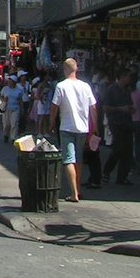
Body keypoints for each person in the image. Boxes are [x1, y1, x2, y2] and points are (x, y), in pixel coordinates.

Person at [50, 57, 97, 203]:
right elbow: (93, 108)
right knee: (79, 159)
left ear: (64, 70)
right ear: (77, 69)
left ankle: (74, 193)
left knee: (68, 159)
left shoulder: (61, 86)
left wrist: (52, 123)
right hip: (82, 128)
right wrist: (95, 127)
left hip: (66, 127)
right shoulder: (86, 86)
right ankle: (78, 189)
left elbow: (54, 107)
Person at [102, 68, 135, 185]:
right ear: (122, 77)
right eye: (128, 77)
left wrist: (131, 108)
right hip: (116, 122)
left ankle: (122, 177)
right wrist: (120, 109)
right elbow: (105, 107)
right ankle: (106, 171)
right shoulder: (111, 89)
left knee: (128, 150)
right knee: (118, 148)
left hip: (127, 122)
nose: (130, 79)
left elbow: (130, 104)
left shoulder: (127, 90)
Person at [0, 75, 22, 143]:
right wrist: (3, 100)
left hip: (15, 108)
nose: (9, 82)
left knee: (14, 123)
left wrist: (22, 108)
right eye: (9, 81)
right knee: (6, 124)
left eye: (11, 81)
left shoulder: (19, 90)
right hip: (6, 108)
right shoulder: (5, 89)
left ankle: (13, 137)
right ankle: (6, 135)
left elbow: (20, 100)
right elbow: (1, 96)